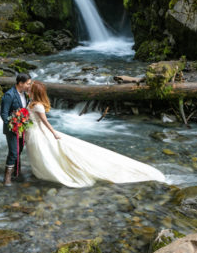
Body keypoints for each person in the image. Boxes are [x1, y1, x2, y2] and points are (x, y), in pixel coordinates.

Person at [25, 81, 165, 188]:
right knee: (39, 153)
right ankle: (39, 171)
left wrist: (54, 133)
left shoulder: (38, 106)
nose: (28, 90)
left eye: (30, 89)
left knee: (43, 152)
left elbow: (44, 122)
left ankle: (47, 173)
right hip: (31, 131)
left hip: (37, 132)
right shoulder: (31, 102)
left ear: (36, 92)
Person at [0, 72, 32, 186]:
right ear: (20, 83)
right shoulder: (9, 95)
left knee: (19, 150)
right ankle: (7, 178)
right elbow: (3, 114)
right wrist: (13, 124)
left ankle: (16, 173)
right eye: (28, 84)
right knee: (13, 152)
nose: (29, 86)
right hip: (12, 128)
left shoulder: (25, 94)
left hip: (22, 127)